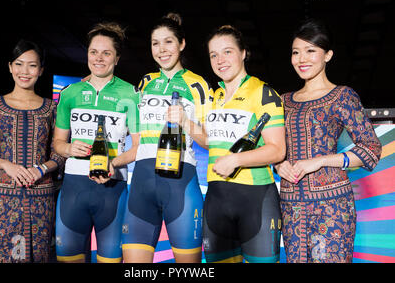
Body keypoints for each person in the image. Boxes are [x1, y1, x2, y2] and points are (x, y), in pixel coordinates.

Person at [275, 18, 382, 263]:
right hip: (291, 207)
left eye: (310, 50)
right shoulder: (282, 101)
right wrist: (279, 165)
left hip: (332, 206)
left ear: (328, 55)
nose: (302, 59)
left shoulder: (342, 96)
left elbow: (371, 149)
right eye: (296, 52)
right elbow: (270, 148)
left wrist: (320, 161)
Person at [121, 13, 213, 263]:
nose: (161, 50)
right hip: (141, 184)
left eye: (168, 42)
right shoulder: (144, 83)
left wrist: (185, 121)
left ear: (182, 44)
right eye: (155, 43)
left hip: (180, 184)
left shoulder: (199, 85)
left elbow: (211, 142)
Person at [0, 39, 65, 262]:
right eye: (19, 64)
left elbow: (60, 153)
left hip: (40, 196)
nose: (25, 71)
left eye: (32, 65)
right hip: (0, 198)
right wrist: (5, 164)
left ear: (41, 70)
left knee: (38, 255)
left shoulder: (52, 108)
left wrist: (41, 169)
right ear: (10, 66)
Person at [52, 22, 140, 263]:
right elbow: (57, 143)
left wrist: (115, 163)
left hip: (113, 190)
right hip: (73, 189)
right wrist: (68, 148)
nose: (98, 58)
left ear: (117, 58)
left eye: (106, 53)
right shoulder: (70, 93)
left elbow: (139, 147)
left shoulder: (131, 94)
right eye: (93, 52)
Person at [203, 25, 286, 263]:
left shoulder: (263, 92)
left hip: (255, 200)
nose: (220, 60)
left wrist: (236, 159)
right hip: (216, 200)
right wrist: (186, 124)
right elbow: (211, 143)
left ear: (243, 53)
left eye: (227, 52)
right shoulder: (214, 97)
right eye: (213, 55)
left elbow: (278, 150)